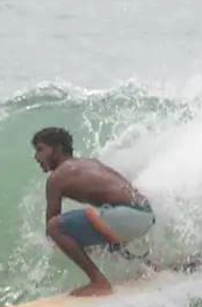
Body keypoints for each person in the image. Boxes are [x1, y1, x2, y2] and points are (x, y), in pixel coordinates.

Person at [31, 126, 155, 296]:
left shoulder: (56, 178)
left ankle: (99, 282)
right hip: (145, 215)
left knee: (55, 227)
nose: (36, 157)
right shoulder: (90, 163)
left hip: (126, 215)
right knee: (99, 231)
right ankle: (147, 265)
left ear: (58, 149)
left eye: (40, 150)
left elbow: (51, 226)